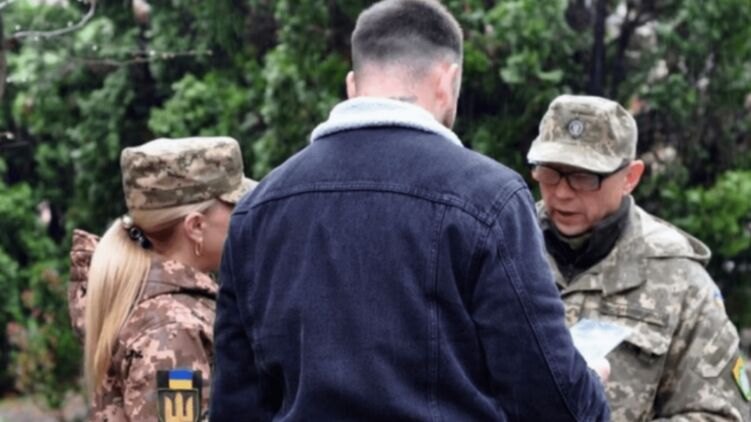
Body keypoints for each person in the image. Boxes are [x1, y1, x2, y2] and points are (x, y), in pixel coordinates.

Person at [210, 1, 609, 420]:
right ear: (447, 80)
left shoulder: (258, 209)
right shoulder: (490, 198)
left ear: (353, 85)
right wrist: (590, 385)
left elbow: (235, 405)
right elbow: (551, 399)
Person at [527, 94, 750, 421]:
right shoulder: (502, 245)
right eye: (549, 172)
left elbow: (723, 414)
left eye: (584, 177)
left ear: (630, 177)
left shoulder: (678, 279)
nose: (561, 192)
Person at [68, 136, 256, 420]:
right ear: (196, 226)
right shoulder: (172, 329)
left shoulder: (150, 298)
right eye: (236, 207)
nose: (246, 218)